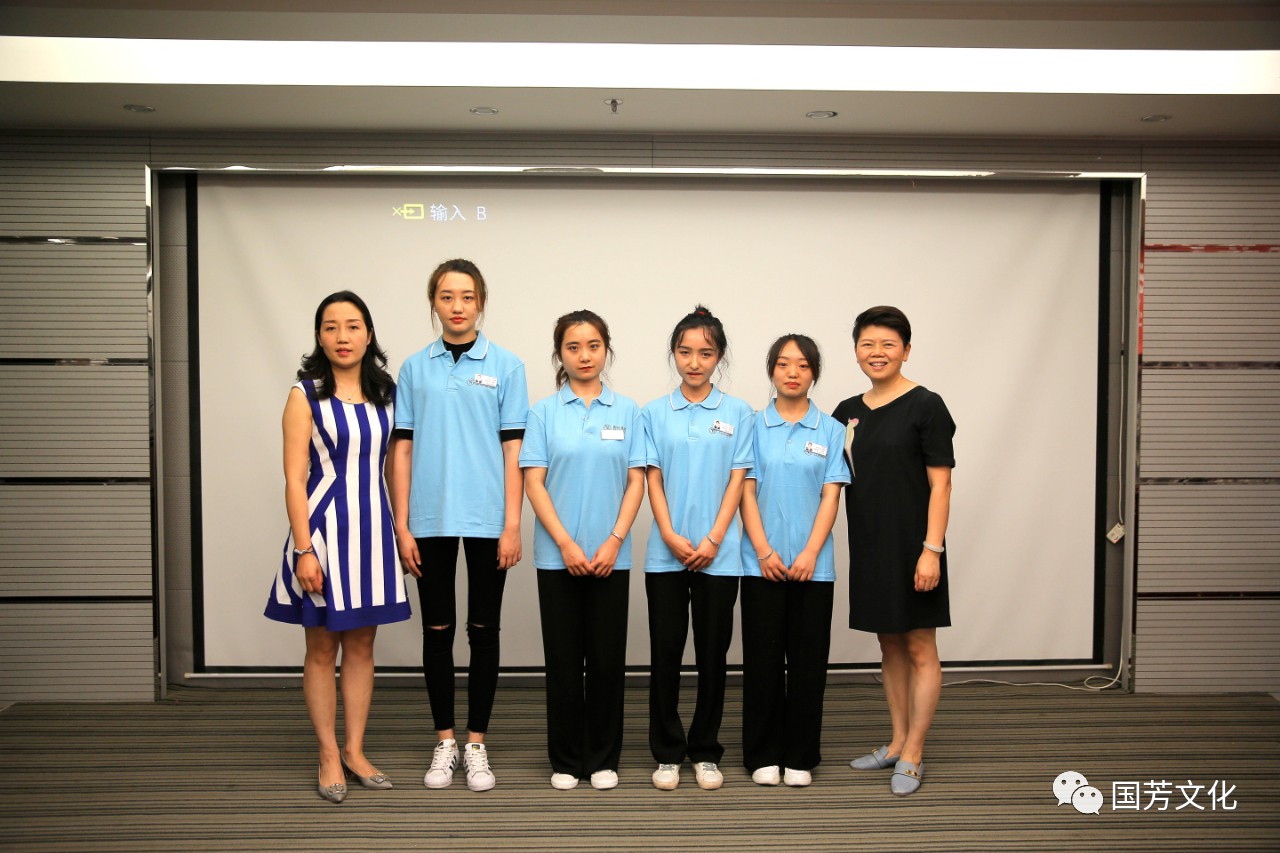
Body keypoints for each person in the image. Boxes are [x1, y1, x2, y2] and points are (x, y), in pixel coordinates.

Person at [265, 290, 411, 804]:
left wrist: (402, 530)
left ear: (368, 334)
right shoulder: (304, 394)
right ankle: (327, 752)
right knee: (322, 647)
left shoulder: (388, 393)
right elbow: (293, 478)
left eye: (352, 326)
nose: (342, 336)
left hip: (373, 532)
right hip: (323, 532)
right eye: (331, 327)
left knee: (364, 645)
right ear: (319, 337)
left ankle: (355, 750)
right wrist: (303, 550)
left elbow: (394, 469)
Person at [390, 258, 529, 793]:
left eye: (467, 297)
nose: (457, 306)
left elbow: (513, 449)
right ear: (434, 303)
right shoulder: (413, 368)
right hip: (429, 517)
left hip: (489, 517)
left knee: (484, 631)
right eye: (447, 296)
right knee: (438, 630)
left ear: (481, 303)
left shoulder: (507, 366)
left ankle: (476, 744)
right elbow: (402, 449)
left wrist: (512, 523)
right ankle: (444, 740)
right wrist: (402, 525)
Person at [520, 310, 646, 791]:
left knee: (608, 661)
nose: (584, 355)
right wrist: (567, 544)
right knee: (564, 662)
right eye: (573, 347)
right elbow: (534, 482)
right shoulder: (543, 412)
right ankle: (567, 759)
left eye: (593, 345)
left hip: (612, 556)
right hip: (558, 557)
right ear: (560, 354)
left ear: (606, 350)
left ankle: (604, 758)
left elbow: (636, 480)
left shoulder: (628, 411)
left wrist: (614, 539)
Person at [832, 305, 955, 797]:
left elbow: (941, 485)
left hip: (915, 546)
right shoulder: (847, 411)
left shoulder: (927, 405)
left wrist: (932, 550)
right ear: (856, 351)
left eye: (888, 344)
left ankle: (915, 752)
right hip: (869, 545)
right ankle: (897, 740)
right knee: (889, 646)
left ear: (906, 350)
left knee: (920, 646)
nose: (877, 352)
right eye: (868, 344)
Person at [641, 305, 754, 791]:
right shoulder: (653, 413)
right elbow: (652, 478)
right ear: (674, 354)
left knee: (713, 656)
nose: (694, 362)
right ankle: (667, 752)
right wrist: (669, 534)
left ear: (719, 357)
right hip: (665, 553)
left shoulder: (739, 413)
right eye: (685, 352)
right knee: (665, 655)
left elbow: (738, 481)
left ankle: (705, 750)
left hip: (720, 555)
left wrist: (713, 539)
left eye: (705, 353)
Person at [738, 334, 850, 788]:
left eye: (802, 365)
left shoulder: (831, 430)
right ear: (771, 370)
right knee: (762, 663)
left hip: (813, 567)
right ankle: (763, 754)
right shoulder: (750, 425)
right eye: (783, 364)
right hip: (759, 564)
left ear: (814, 373)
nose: (792, 372)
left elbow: (831, 495)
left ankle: (801, 755)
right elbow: (744, 491)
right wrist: (763, 551)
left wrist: (809, 553)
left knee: (808, 665)